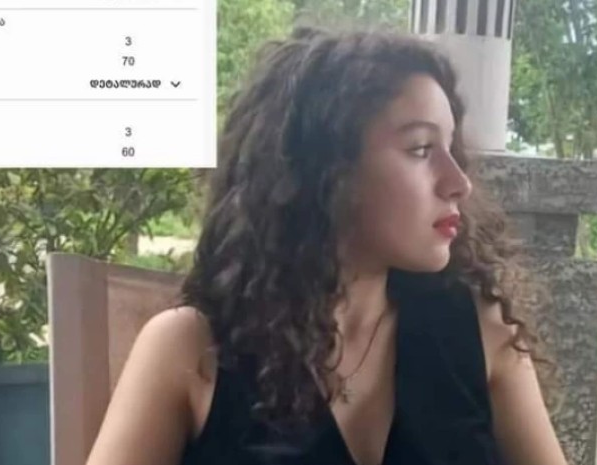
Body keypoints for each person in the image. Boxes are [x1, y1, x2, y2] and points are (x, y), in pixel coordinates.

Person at [86, 27, 568, 465]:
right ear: (325, 171)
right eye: (421, 149)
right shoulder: (192, 350)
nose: (459, 182)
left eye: (453, 149)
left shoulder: (482, 331)